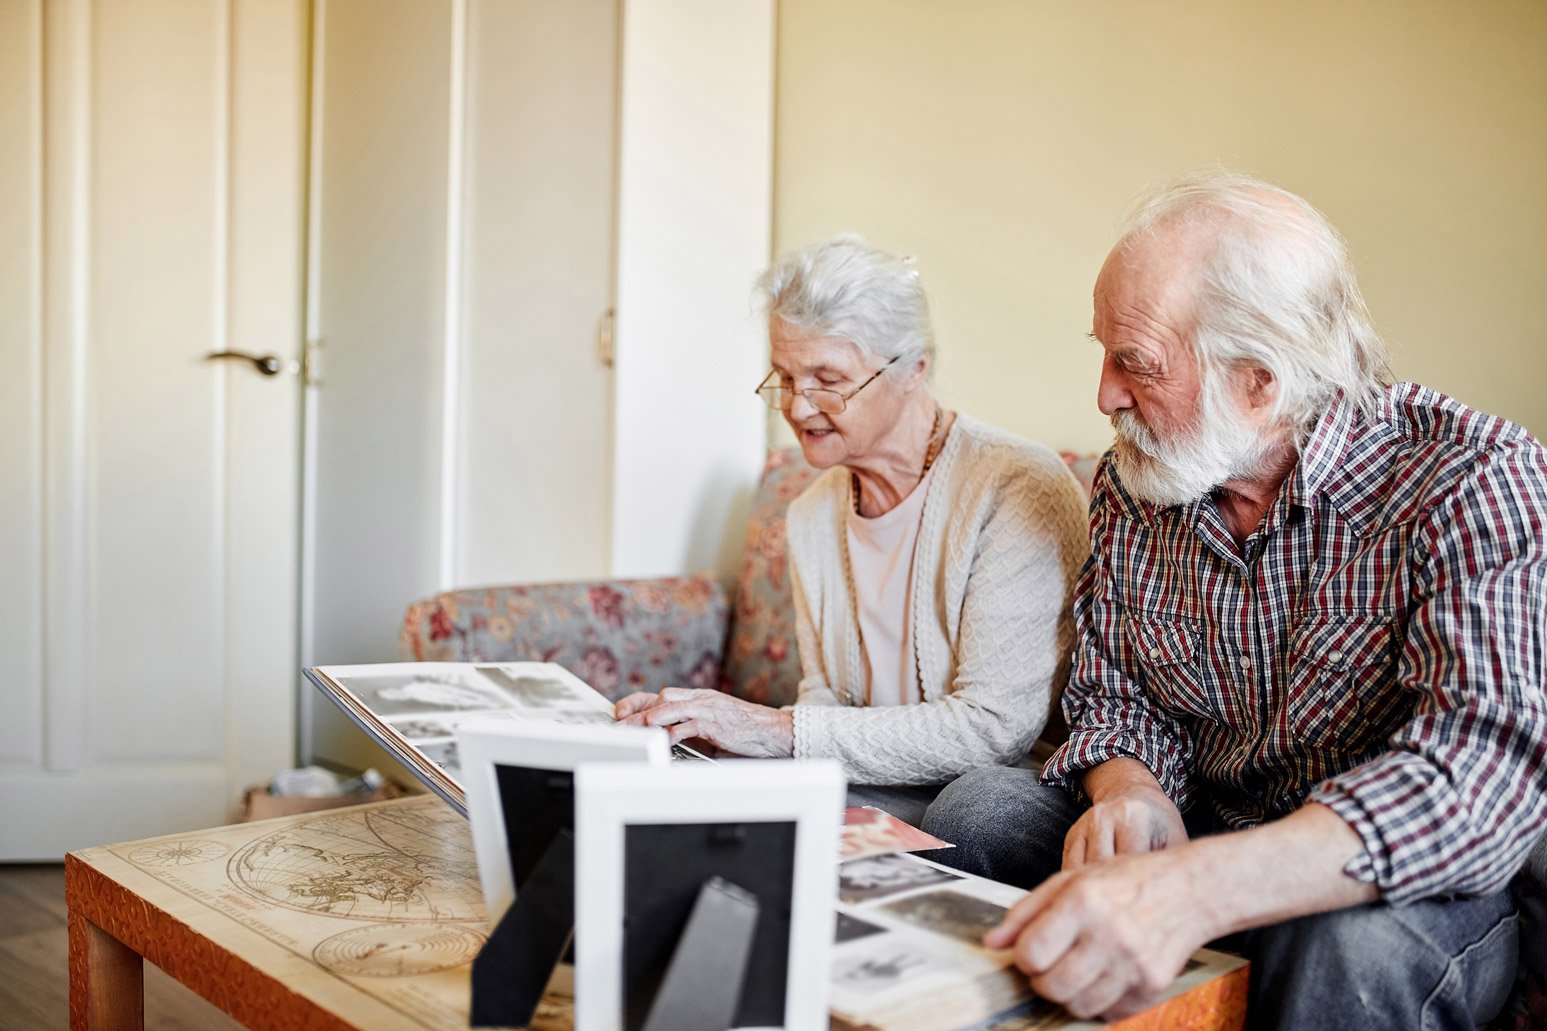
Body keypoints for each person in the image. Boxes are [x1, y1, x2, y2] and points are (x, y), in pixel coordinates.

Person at [923, 171, 1547, 1028]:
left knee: (1338, 945)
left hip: (1395, 881)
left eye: (1134, 362)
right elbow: (1116, 693)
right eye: (1103, 353)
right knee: (978, 810)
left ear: (1260, 381)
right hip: (1204, 820)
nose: (1103, 394)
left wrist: (1196, 889)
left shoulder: (1474, 477)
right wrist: (1129, 792)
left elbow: (1479, 778)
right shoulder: (1135, 483)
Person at [616, 235, 1090, 825]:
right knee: (709, 782)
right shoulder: (811, 514)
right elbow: (823, 700)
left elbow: (994, 731)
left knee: (975, 811)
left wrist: (775, 730)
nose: (797, 405)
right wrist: (729, 739)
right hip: (878, 782)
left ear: (915, 367)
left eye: (827, 378)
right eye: (785, 377)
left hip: (1001, 786)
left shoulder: (1016, 486)